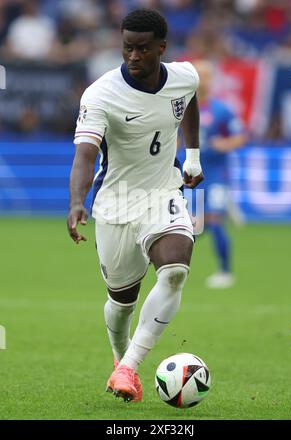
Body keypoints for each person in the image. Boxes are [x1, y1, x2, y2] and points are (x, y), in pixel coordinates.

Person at [67, 8, 204, 403]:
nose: (134, 56)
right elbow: (84, 156)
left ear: (161, 47)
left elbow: (189, 97)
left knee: (176, 269)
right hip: (115, 205)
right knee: (121, 302)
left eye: (143, 49)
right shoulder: (101, 95)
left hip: (163, 194)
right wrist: (77, 202)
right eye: (128, 48)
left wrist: (191, 155)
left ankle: (130, 367)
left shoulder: (184, 76)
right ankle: (119, 354)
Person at [189, 60, 247, 289]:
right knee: (194, 225)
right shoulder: (184, 108)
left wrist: (224, 144)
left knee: (213, 221)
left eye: (205, 75)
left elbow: (240, 136)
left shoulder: (220, 110)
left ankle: (225, 272)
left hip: (218, 174)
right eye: (197, 75)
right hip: (194, 175)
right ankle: (174, 265)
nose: (201, 80)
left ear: (211, 80)